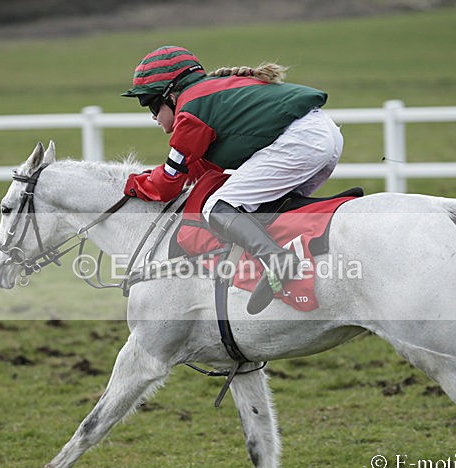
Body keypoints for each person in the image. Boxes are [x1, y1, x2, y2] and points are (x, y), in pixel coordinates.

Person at [121, 45, 344, 313]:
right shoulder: (209, 95)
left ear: (171, 94)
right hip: (324, 135)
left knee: (217, 207)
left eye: (150, 103)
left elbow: (166, 184)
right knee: (267, 210)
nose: (153, 116)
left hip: (302, 141)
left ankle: (278, 263)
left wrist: (129, 184)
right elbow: (197, 169)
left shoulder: (190, 110)